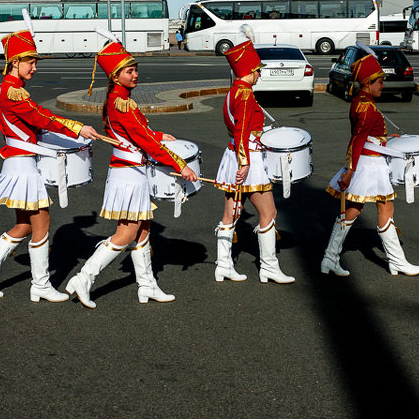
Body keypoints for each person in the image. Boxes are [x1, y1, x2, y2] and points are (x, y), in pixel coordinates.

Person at [0, 11, 100, 301]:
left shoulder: (13, 88)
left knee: (24, 225)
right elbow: (41, 117)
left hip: (18, 163)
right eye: (30, 62)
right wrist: (78, 127)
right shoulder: (13, 91)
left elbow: (35, 123)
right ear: (14, 62)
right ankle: (40, 286)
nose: (34, 68)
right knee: (42, 224)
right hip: (23, 167)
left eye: (35, 62)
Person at [63, 30, 199, 308]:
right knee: (125, 234)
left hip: (131, 172)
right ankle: (84, 278)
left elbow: (136, 133)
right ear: (115, 76)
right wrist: (180, 164)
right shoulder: (121, 102)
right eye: (129, 71)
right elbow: (143, 139)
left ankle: (147, 286)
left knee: (143, 231)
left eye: (136, 69)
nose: (135, 75)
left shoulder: (120, 99)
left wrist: (159, 135)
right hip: (128, 175)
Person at [320, 45, 419, 277]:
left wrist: (385, 139)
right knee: (383, 208)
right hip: (370, 166)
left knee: (352, 211)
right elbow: (357, 141)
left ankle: (329, 259)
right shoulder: (366, 108)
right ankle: (397, 262)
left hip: (367, 162)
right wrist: (348, 171)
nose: (382, 85)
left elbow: (365, 136)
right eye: (379, 81)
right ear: (367, 82)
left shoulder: (360, 100)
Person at [213, 25, 294, 284]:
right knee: (269, 214)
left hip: (234, 155)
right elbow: (242, 132)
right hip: (248, 158)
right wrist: (245, 163)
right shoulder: (246, 95)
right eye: (258, 70)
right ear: (250, 70)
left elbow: (237, 128)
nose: (259, 74)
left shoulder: (232, 91)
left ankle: (223, 265)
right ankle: (269, 267)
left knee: (232, 213)